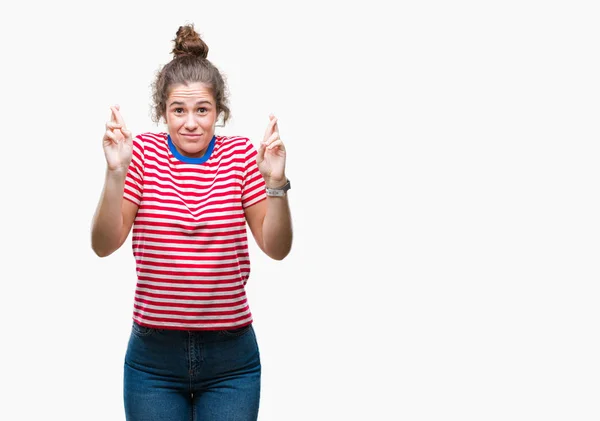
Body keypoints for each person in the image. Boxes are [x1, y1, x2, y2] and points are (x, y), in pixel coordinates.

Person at [90, 24, 293, 421]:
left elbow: (277, 248)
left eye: (202, 110)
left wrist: (276, 182)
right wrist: (116, 172)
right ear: (162, 111)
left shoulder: (238, 155)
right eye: (178, 110)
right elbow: (103, 244)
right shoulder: (144, 153)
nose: (190, 123)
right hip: (153, 362)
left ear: (219, 112)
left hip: (231, 361)